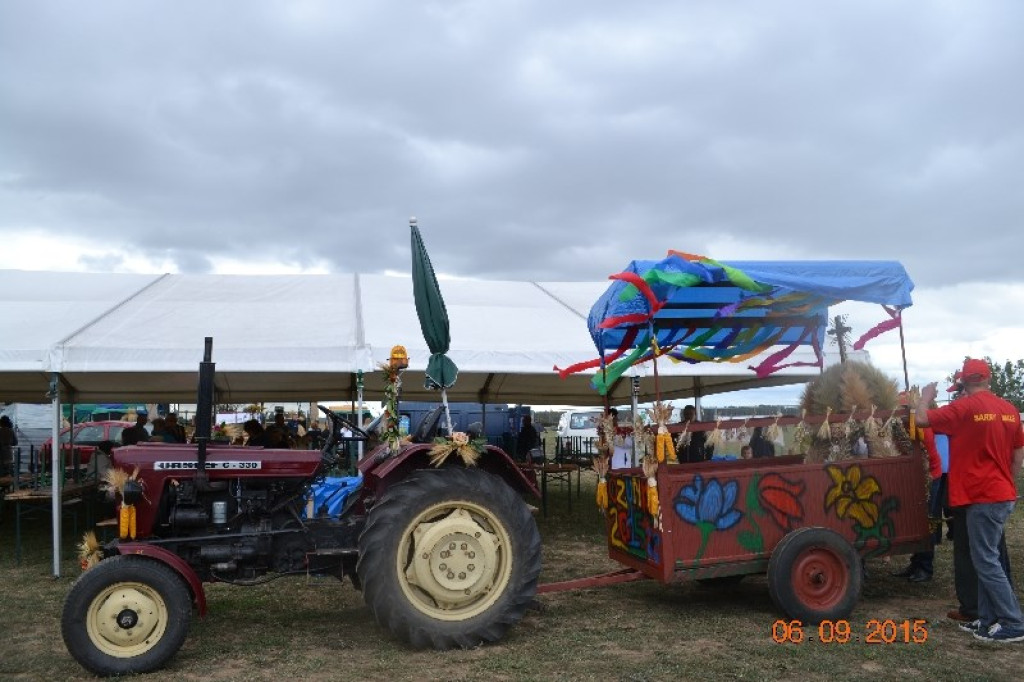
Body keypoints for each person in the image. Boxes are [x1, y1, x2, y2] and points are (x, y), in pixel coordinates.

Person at [917, 358, 1024, 642]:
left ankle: (1013, 622)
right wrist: (1007, 487)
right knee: (986, 559)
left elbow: (920, 419)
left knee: (987, 562)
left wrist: (925, 398)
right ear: (987, 379)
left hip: (980, 495)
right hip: (1000, 493)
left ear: (964, 382)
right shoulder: (1010, 410)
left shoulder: (964, 408)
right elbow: (1017, 456)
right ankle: (987, 620)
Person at [890, 426, 943, 582]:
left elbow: (920, 454)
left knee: (927, 522)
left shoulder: (917, 427)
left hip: (930, 475)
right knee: (918, 522)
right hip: (919, 475)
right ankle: (916, 563)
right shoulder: (906, 426)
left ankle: (925, 567)